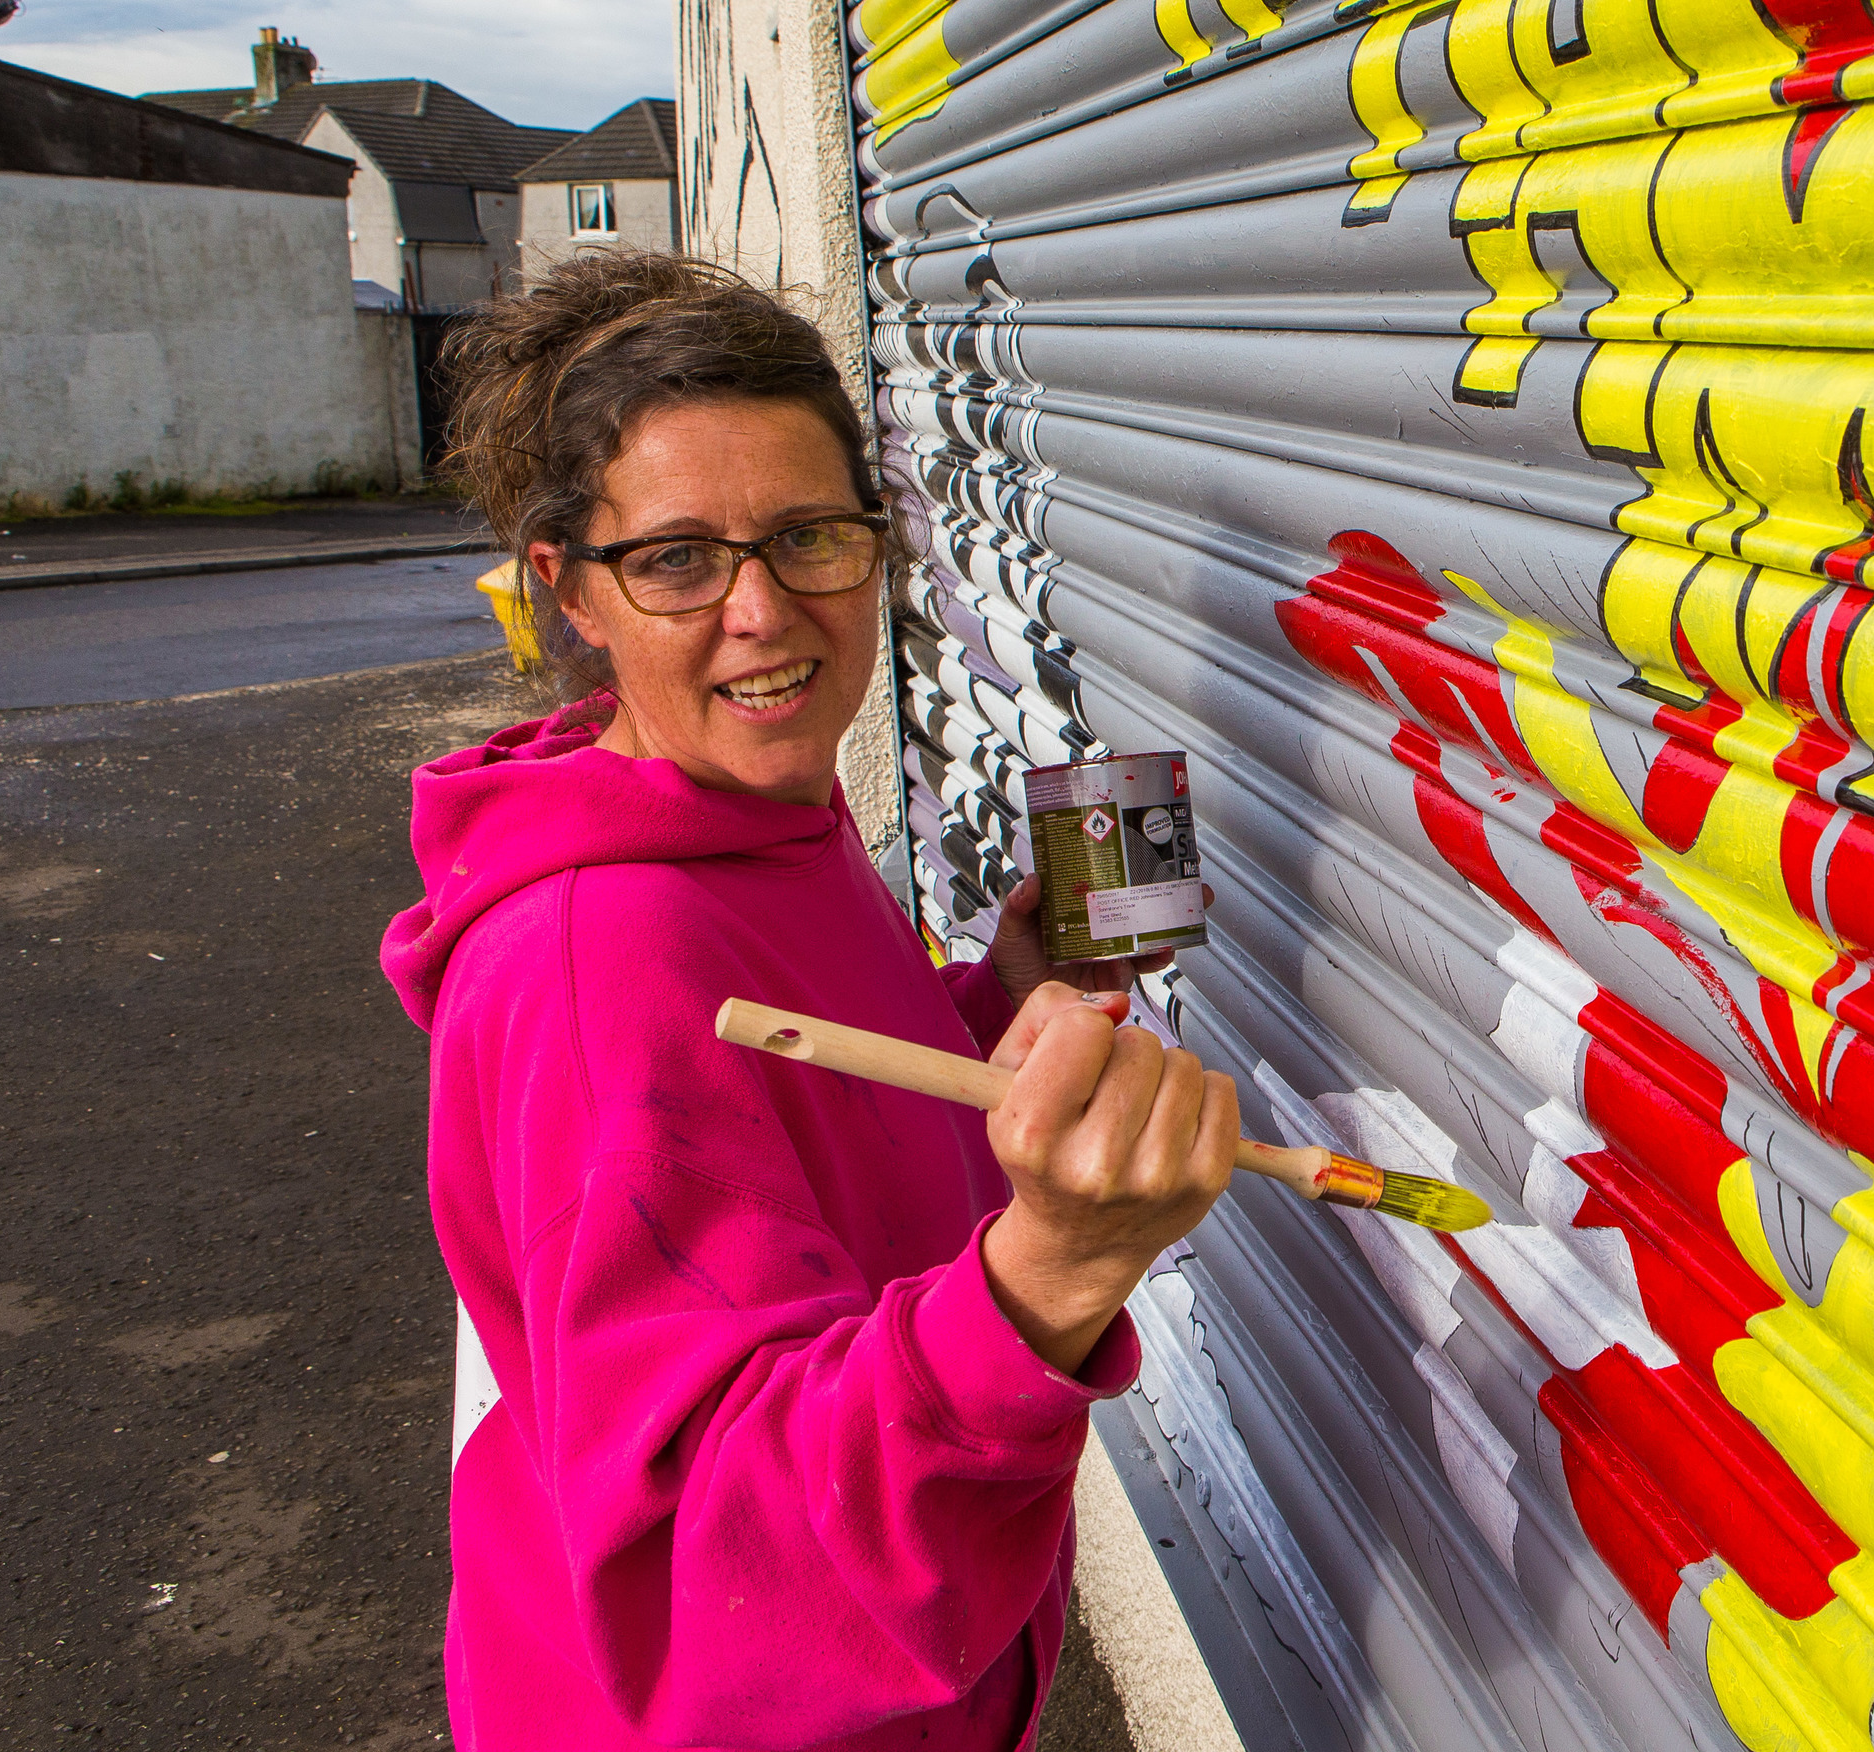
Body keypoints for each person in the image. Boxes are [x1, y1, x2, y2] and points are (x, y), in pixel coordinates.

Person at [379, 249, 1235, 1750]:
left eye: (808, 537)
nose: (763, 611)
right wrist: (1045, 1279)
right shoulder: (601, 961)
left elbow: (793, 1137)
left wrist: (991, 1013)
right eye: (678, 561)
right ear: (567, 590)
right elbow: (723, 1580)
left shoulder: (743, 815)